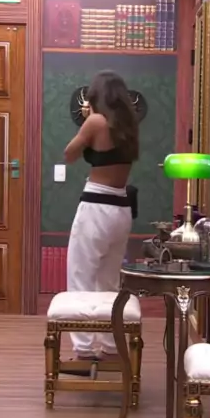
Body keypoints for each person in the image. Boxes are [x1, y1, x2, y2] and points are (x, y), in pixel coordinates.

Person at [63, 70, 139, 360]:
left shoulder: (96, 122)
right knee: (108, 281)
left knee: (80, 276)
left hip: (96, 206)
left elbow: (69, 154)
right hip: (121, 208)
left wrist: (88, 119)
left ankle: (83, 348)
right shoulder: (128, 125)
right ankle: (109, 346)